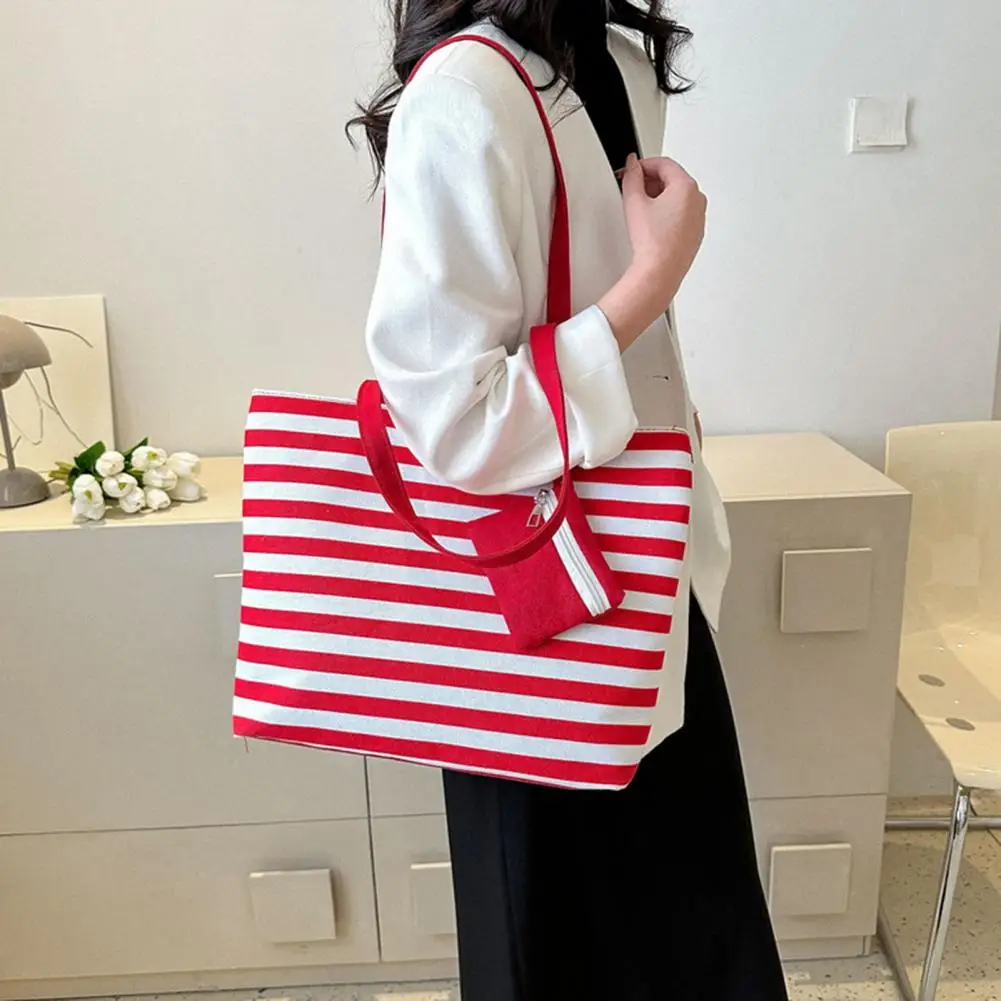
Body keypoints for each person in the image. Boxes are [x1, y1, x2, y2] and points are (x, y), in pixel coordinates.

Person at [351, 2, 788, 998]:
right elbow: (456, 421)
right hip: (532, 612)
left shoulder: (617, 60)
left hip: (640, 574)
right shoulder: (462, 93)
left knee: (690, 929)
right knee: (555, 945)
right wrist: (653, 279)